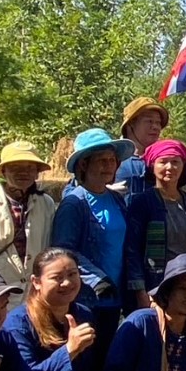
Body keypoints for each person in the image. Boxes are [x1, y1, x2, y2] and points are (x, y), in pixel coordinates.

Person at [51, 128, 135, 353]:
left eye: (111, 160)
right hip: (86, 298)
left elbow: (127, 246)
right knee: (85, 360)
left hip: (115, 297)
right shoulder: (74, 204)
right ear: (84, 165)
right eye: (101, 161)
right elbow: (63, 251)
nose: (108, 166)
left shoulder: (117, 200)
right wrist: (97, 279)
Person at [124, 139, 186, 309]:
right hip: (155, 285)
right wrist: (140, 291)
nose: (170, 167)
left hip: (185, 284)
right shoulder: (143, 202)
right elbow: (132, 249)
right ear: (152, 166)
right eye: (163, 162)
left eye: (175, 162)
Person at [0, 141, 56, 287]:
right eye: (15, 167)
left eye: (30, 168)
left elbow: (48, 247)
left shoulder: (45, 203)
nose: (23, 172)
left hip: (33, 289)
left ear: (37, 172)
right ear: (4, 171)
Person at [115, 97, 169, 196]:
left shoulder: (163, 161)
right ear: (131, 123)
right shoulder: (111, 157)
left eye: (158, 123)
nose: (156, 127)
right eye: (149, 121)